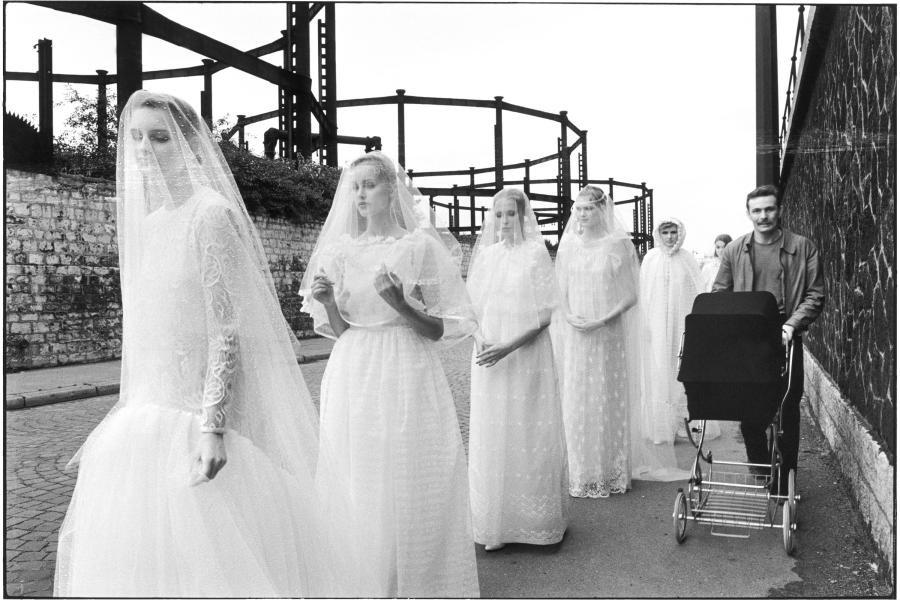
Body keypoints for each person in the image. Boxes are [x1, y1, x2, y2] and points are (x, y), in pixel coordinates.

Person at [54, 91, 366, 597]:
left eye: (160, 137)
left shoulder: (210, 215)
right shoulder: (150, 224)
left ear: (191, 145)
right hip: (143, 421)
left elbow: (228, 330)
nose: (146, 149)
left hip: (197, 419)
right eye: (136, 137)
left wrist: (213, 427)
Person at [299, 151, 480, 597]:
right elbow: (343, 331)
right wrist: (326, 302)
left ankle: (414, 577)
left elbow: (438, 329)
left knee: (407, 469)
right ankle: (366, 576)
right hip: (353, 369)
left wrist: (401, 304)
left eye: (369, 185)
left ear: (390, 191)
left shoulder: (417, 246)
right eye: (354, 186)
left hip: (405, 364)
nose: (360, 195)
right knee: (358, 471)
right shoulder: (341, 250)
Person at [467, 188, 569, 550]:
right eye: (499, 215)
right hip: (489, 357)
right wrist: (481, 340)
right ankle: (496, 522)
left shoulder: (535, 254)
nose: (504, 221)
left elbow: (545, 314)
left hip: (525, 354)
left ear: (523, 216)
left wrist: (509, 345)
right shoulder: (486, 256)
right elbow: (472, 307)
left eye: (511, 214)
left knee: (528, 433)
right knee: (493, 433)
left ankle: (535, 521)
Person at [712, 184, 824, 491]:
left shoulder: (803, 247)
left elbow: (815, 294)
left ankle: (785, 484)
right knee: (749, 414)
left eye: (769, 209)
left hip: (786, 334)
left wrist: (791, 326)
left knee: (788, 410)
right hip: (747, 338)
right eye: (757, 210)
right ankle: (762, 472)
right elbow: (720, 292)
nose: (764, 216)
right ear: (748, 213)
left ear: (779, 210)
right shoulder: (735, 249)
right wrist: (734, 325)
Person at [554, 185, 645, 495]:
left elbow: (631, 295)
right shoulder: (567, 246)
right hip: (577, 333)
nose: (582, 214)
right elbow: (560, 290)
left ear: (602, 210)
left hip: (607, 333)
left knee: (605, 396)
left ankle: (609, 469)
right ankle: (580, 470)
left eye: (588, 208)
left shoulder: (616, 245)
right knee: (577, 398)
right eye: (578, 209)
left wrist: (601, 320)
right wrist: (567, 316)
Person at [638, 218, 715, 444]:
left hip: (681, 322)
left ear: (680, 233)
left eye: (673, 232)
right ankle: (662, 425)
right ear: (658, 234)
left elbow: (697, 292)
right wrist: (646, 325)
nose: (670, 237)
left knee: (681, 369)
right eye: (665, 232)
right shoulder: (651, 259)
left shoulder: (687, 259)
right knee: (660, 369)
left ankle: (684, 421)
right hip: (657, 323)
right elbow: (645, 293)